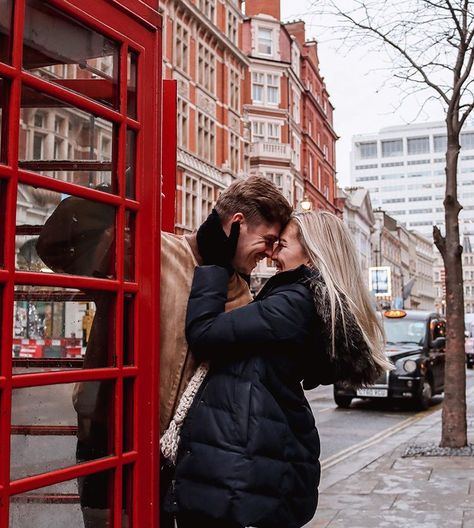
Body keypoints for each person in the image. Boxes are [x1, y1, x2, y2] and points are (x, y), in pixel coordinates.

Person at [35, 175, 292, 528]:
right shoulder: (143, 251)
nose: (268, 254)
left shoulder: (241, 296)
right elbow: (53, 244)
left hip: (186, 463)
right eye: (267, 240)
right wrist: (122, 185)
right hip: (109, 437)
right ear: (237, 223)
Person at [167, 210, 393, 528]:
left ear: (313, 254)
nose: (272, 253)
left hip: (245, 469)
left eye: (282, 245)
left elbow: (205, 333)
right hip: (250, 460)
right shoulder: (295, 298)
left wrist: (216, 265)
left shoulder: (294, 303)